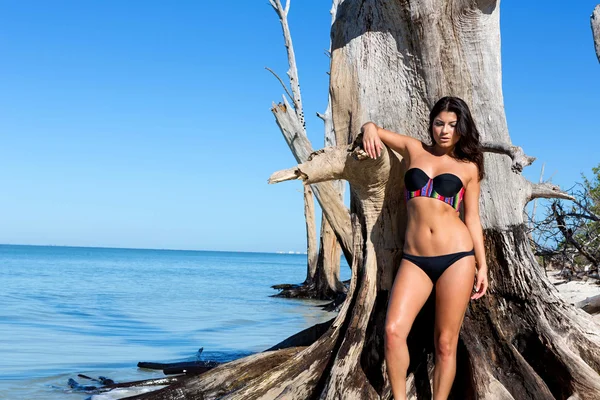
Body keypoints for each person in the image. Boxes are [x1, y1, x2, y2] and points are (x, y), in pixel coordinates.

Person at [361, 96, 488, 400]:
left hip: (457, 258)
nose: (445, 130)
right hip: (415, 260)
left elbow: (472, 219)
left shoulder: (468, 167)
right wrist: (367, 129)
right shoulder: (413, 149)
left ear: (462, 129)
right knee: (393, 331)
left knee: (445, 343)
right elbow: (374, 128)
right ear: (431, 124)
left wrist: (482, 265)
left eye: (453, 125)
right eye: (439, 123)